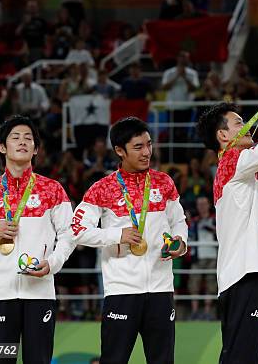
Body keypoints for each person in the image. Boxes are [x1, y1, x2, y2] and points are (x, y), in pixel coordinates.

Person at [0, 115, 75, 363]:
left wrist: (52, 263)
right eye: (15, 137)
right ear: (2, 147)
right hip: (0, 295)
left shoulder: (52, 190)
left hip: (40, 293)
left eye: (28, 138)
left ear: (36, 149)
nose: (22, 142)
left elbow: (69, 235)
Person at [70, 117, 188, 363]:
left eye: (149, 144)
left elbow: (179, 220)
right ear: (119, 151)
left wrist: (180, 241)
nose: (147, 152)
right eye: (138, 147)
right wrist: (117, 236)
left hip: (161, 289)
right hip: (122, 290)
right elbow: (77, 229)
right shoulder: (102, 188)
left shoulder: (164, 182)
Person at [196, 92, 258, 363]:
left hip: (241, 273)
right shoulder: (231, 161)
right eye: (239, 123)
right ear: (223, 136)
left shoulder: (234, 172)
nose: (248, 125)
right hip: (243, 278)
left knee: (239, 355)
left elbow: (238, 234)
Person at [188, 195, 217, 320]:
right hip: (198, 256)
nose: (202, 207)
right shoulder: (194, 221)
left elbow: (223, 234)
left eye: (204, 204)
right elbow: (188, 236)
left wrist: (214, 230)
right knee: (194, 283)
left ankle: (207, 312)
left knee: (211, 284)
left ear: (209, 205)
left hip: (213, 256)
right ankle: (194, 312)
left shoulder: (215, 219)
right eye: (199, 204)